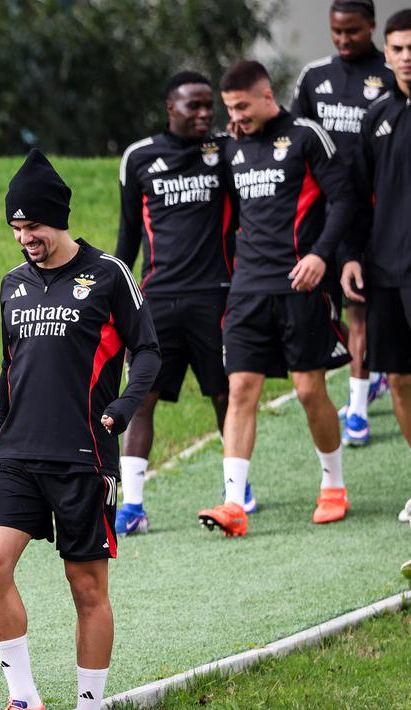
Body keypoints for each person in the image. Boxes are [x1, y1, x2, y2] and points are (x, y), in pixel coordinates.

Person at [0, 150, 160, 710]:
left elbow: (148, 350)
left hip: (84, 455)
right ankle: (23, 697)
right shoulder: (12, 284)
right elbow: (10, 367)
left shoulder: (109, 275)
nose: (24, 238)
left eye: (32, 226)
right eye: (16, 228)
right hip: (17, 455)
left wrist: (125, 406)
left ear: (58, 218)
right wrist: (0, 437)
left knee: (86, 587)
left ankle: (89, 702)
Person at [198, 60, 355, 537]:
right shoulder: (229, 146)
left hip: (301, 286)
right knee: (241, 390)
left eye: (242, 106)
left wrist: (321, 256)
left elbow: (344, 200)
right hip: (247, 291)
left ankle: (334, 486)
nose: (235, 116)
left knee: (309, 390)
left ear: (267, 96)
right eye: (229, 109)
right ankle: (233, 503)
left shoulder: (307, 136)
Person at [114, 71, 239, 535]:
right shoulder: (139, 157)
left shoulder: (227, 151)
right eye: (194, 106)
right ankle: (132, 506)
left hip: (216, 297)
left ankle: (237, 490)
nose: (205, 114)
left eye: (210, 106)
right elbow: (128, 234)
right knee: (141, 398)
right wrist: (114, 295)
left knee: (225, 395)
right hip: (157, 301)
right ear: (171, 107)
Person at [291, 0, 397, 445]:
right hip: (325, 214)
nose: (343, 39)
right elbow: (294, 134)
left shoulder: (391, 75)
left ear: (371, 26)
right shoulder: (314, 77)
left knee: (359, 307)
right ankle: (368, 376)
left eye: (352, 31)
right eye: (336, 31)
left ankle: (357, 410)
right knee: (333, 304)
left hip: (374, 213)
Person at [341, 9, 411, 523]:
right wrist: (348, 256)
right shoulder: (377, 117)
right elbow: (356, 198)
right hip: (386, 271)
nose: (407, 58)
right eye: (399, 49)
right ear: (387, 55)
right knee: (402, 380)